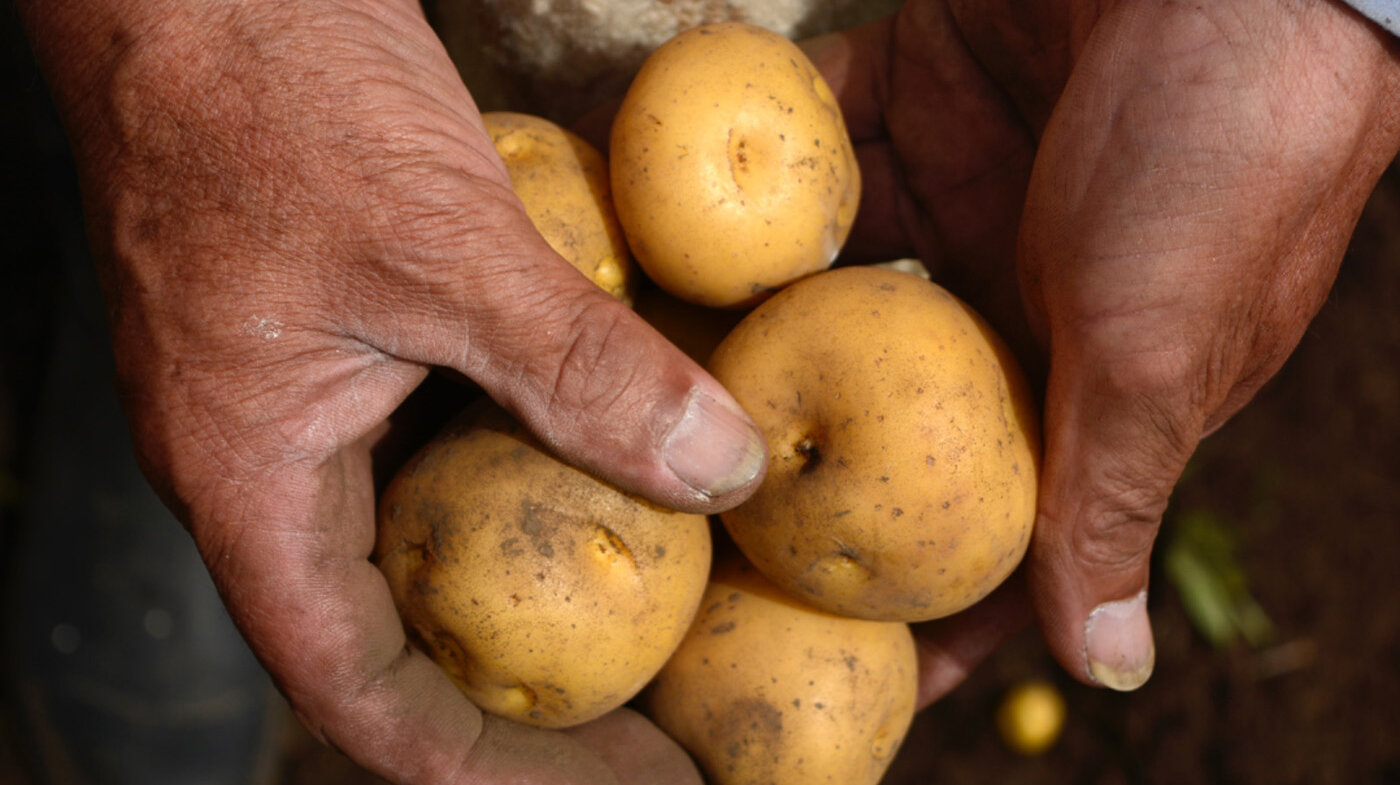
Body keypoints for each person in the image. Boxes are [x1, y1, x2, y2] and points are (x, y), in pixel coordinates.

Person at [13, 0, 1399, 782]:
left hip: (929, 58)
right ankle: (197, 353)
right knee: (250, 214)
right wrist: (180, 42)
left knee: (289, 258)